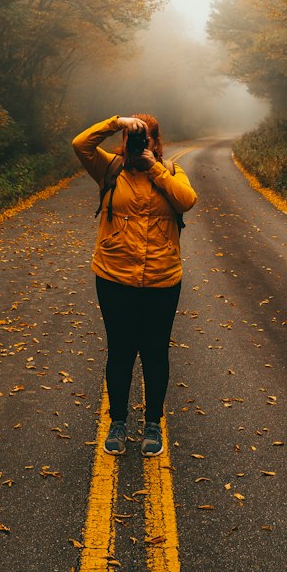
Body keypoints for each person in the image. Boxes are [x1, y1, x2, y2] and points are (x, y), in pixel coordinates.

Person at [72, 113, 196, 457]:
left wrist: (153, 167)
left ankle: (153, 423)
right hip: (115, 277)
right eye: (133, 138)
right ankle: (118, 422)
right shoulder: (108, 168)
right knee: (121, 351)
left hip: (162, 277)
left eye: (147, 139)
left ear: (156, 143)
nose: (140, 143)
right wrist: (116, 121)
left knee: (155, 352)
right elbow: (80, 144)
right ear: (124, 142)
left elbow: (187, 200)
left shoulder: (170, 171)